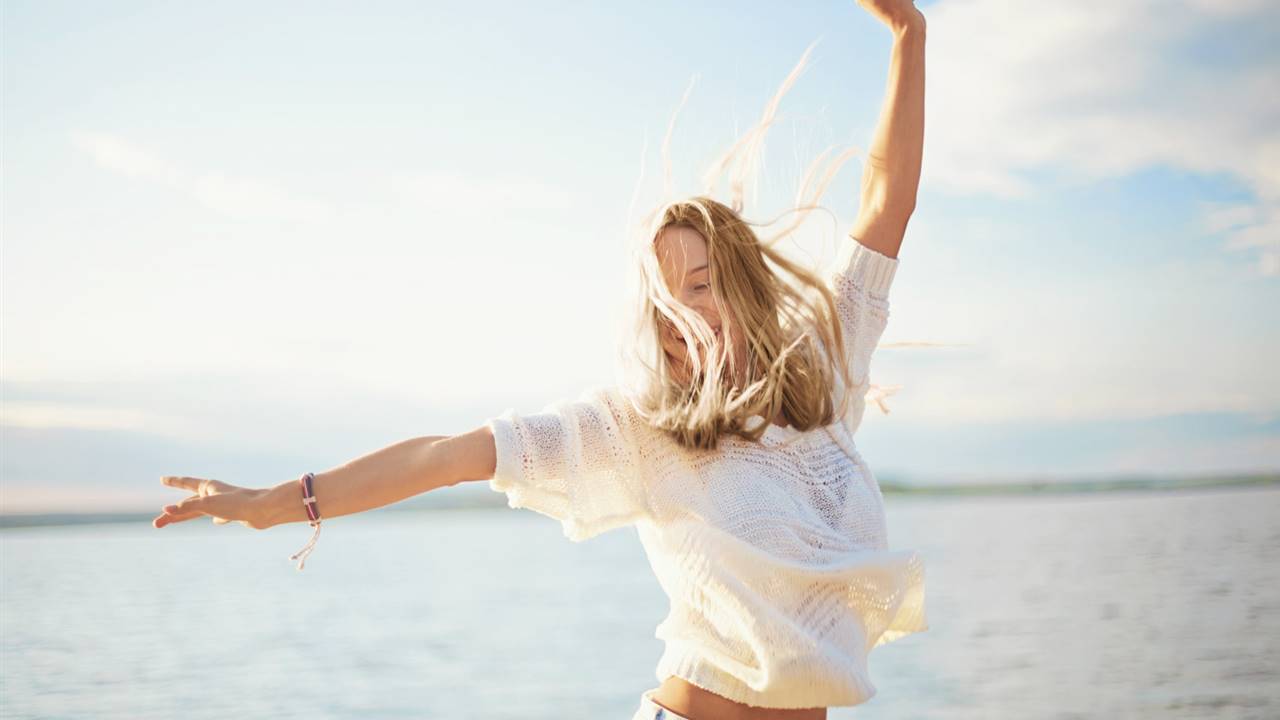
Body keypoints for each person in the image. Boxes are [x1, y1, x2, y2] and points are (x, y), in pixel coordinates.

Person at [154, 1, 927, 717]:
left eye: (702, 284)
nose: (687, 317)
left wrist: (908, 35)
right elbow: (444, 457)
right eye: (668, 304)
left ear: (746, 282)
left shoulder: (823, 367)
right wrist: (278, 503)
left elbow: (886, 202)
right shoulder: (640, 429)